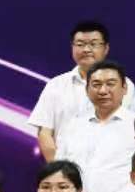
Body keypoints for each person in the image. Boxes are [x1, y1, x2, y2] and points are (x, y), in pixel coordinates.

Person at [54, 61, 135, 192]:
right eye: (96, 84)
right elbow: (59, 169)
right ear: (87, 90)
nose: (103, 90)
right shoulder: (73, 126)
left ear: (124, 88)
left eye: (110, 84)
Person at [28, 20, 111, 162]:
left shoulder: (124, 86)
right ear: (72, 47)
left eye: (93, 44)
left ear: (106, 48)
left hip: (109, 169)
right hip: (65, 168)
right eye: (80, 44)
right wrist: (58, 169)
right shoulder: (56, 85)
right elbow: (44, 133)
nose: (86, 49)